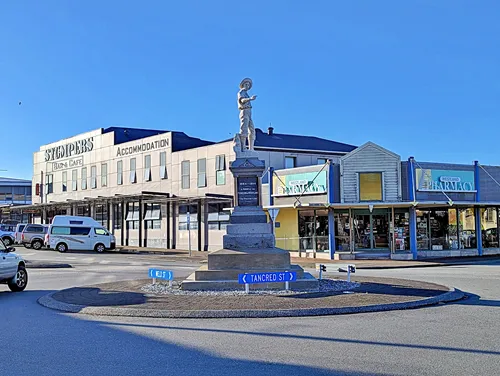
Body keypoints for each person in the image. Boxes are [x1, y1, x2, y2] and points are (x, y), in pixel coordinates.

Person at [237, 78, 257, 151]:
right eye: (246, 84)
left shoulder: (246, 93)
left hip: (249, 111)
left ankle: (251, 148)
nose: (247, 86)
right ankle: (243, 147)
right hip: (244, 110)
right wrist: (250, 99)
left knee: (252, 130)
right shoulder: (241, 92)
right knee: (244, 128)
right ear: (243, 84)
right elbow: (242, 100)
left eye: (248, 85)